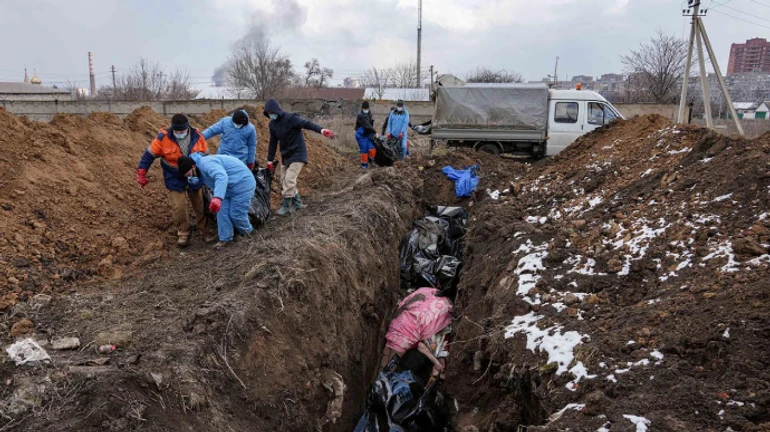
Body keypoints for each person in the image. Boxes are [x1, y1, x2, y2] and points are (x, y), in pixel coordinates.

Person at [136, 114, 211, 247]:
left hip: (194, 172)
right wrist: (142, 171)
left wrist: (205, 175)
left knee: (200, 204)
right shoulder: (163, 138)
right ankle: (183, 233)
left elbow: (206, 157)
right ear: (172, 129)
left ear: (187, 128)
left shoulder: (197, 136)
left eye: (182, 131)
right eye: (176, 131)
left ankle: (205, 231)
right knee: (179, 206)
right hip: (174, 174)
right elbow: (149, 155)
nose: (179, 134)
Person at [263, 98, 336, 216]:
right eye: (269, 113)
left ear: (277, 111)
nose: (271, 115)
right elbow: (273, 143)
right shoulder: (272, 125)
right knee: (283, 181)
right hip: (286, 155)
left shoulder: (291, 118)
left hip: (298, 153)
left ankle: (286, 206)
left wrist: (322, 130)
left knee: (289, 179)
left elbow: (307, 124)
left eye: (272, 112)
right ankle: (297, 203)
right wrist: (269, 160)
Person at [177, 153, 256, 248]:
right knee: (221, 212)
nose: (189, 177)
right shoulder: (198, 170)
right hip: (228, 187)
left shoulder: (207, 164)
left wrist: (217, 197)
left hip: (242, 183)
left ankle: (249, 234)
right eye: (187, 176)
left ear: (193, 166)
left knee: (236, 213)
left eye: (189, 174)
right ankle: (225, 239)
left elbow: (221, 177)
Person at [355, 101, 378, 169]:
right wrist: (375, 131)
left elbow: (370, 124)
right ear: (362, 108)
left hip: (368, 134)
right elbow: (367, 125)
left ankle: (370, 160)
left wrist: (372, 132)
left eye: (367, 108)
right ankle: (364, 166)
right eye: (364, 108)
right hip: (361, 135)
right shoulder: (360, 116)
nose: (366, 110)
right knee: (364, 151)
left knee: (372, 149)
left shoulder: (369, 113)